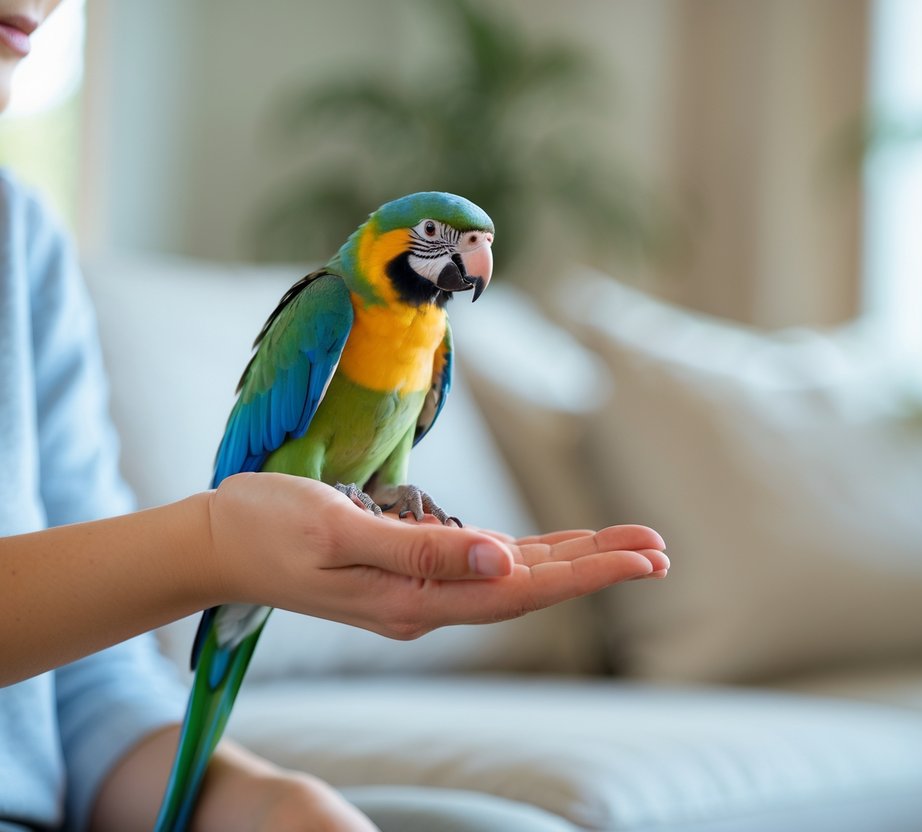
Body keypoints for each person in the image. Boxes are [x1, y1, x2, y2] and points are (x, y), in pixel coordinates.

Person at [0, 3, 668, 830]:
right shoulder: (326, 307)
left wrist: (291, 808)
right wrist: (215, 548)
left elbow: (92, 692)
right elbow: (252, 484)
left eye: (470, 243)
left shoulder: (22, 240)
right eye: (436, 236)